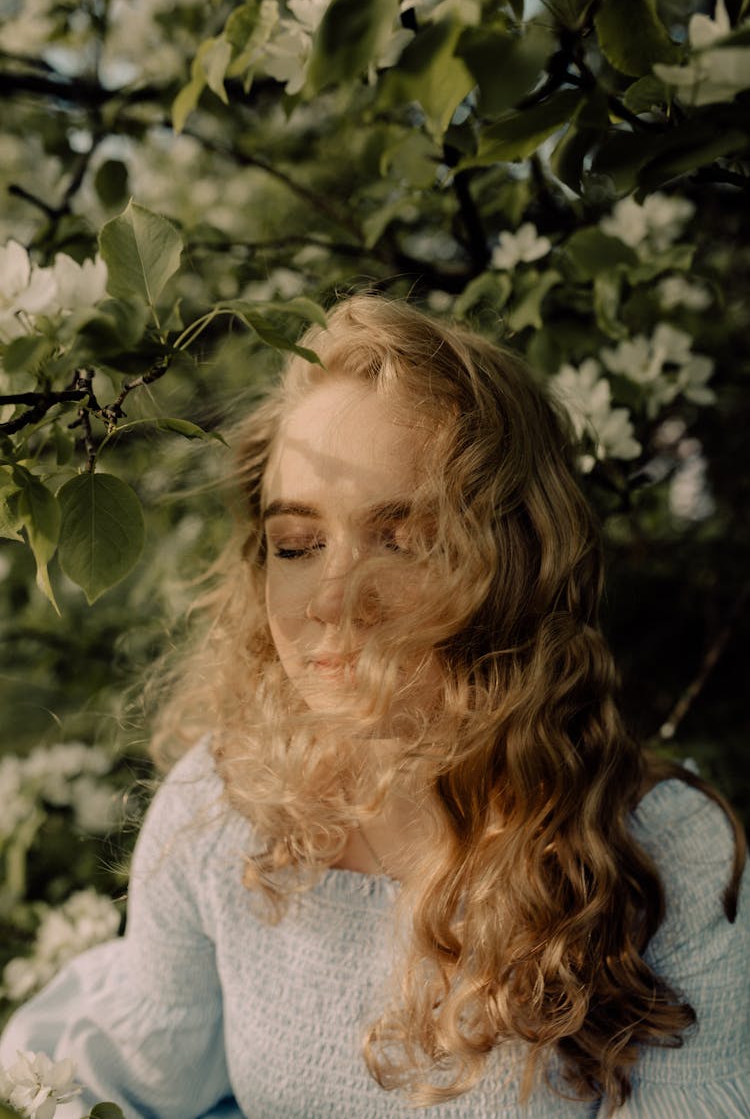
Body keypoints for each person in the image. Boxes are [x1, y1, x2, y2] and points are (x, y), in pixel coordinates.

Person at [1, 293, 748, 1119]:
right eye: (297, 544)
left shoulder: (661, 857)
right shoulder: (224, 805)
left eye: (404, 537)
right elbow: (122, 1079)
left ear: (517, 563)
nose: (332, 598)